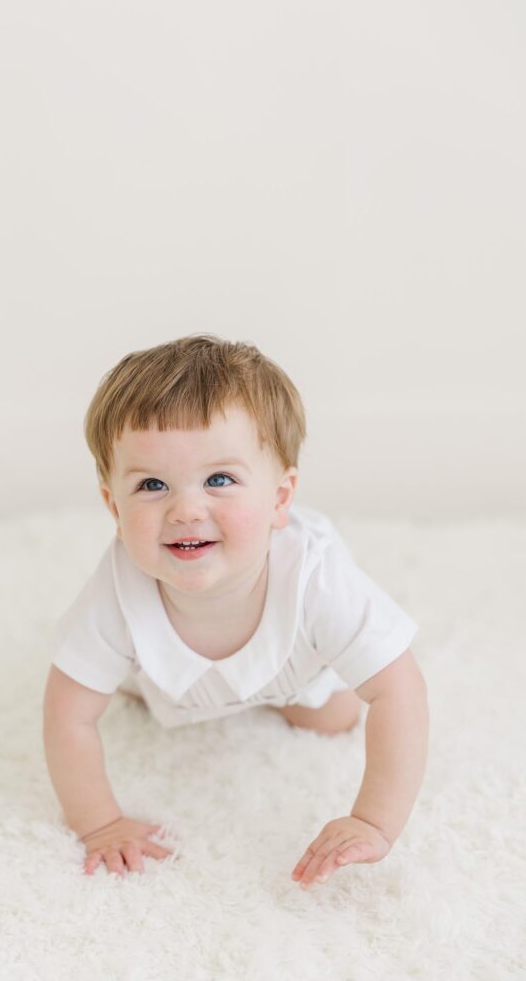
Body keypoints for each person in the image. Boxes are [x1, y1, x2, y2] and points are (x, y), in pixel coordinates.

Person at [43, 333, 429, 890]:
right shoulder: (120, 589)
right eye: (151, 485)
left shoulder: (315, 577)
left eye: (219, 480)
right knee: (115, 689)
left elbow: (401, 690)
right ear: (112, 505)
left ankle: (286, 697)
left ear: (279, 498)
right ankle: (185, 686)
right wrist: (99, 823)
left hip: (294, 667)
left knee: (333, 718)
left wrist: (373, 820)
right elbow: (68, 715)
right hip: (165, 683)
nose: (186, 509)